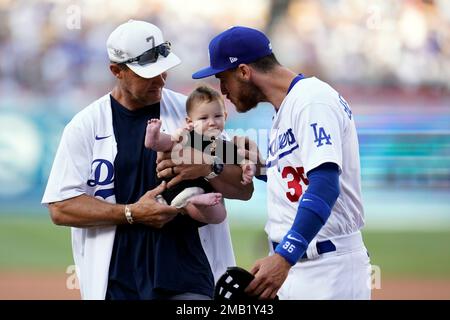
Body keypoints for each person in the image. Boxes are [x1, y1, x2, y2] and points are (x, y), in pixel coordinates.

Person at [41, 20, 253, 300]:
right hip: (117, 282)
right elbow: (61, 208)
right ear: (116, 70)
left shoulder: (190, 113)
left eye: (163, 70)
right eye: (148, 74)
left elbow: (243, 187)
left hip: (189, 277)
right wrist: (131, 213)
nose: (160, 80)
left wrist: (209, 167)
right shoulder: (85, 126)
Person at [192, 26, 371, 299]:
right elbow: (299, 180)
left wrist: (285, 256)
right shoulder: (287, 108)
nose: (223, 90)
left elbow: (324, 185)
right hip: (300, 264)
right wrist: (262, 167)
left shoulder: (312, 100)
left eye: (223, 78)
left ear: (243, 71)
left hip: (326, 267)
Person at [144, 85, 256, 224]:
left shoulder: (221, 144)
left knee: (220, 215)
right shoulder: (192, 136)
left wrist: (247, 168)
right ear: (190, 121)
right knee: (172, 142)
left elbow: (239, 158)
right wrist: (173, 135)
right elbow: (172, 141)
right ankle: (154, 139)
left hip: (196, 192)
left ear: (225, 116)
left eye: (218, 116)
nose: (212, 123)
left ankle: (199, 203)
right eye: (204, 118)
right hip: (170, 187)